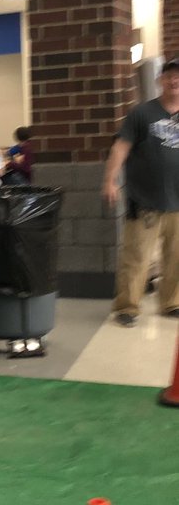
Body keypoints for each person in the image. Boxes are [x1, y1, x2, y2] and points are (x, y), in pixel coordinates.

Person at [102, 56, 179, 327]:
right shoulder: (142, 114)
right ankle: (127, 307)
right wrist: (110, 180)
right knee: (136, 257)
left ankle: (172, 302)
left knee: (176, 258)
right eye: (169, 75)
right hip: (145, 200)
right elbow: (121, 147)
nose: (174, 80)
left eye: (178, 76)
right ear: (160, 80)